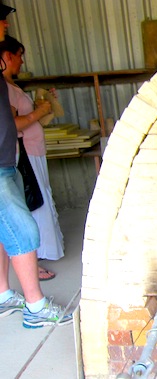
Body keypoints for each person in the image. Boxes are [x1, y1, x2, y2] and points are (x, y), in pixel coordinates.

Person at [0, 3, 72, 328]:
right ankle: (36, 307)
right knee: (25, 230)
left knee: (4, 232)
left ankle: (4, 295)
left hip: (7, 159)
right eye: (2, 21)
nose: (5, 25)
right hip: (2, 163)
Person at [1, 35, 64, 281]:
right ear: (7, 57)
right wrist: (40, 111)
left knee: (40, 198)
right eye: (19, 56)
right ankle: (37, 255)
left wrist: (42, 106)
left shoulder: (12, 86)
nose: (22, 61)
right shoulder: (6, 89)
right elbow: (13, 123)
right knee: (34, 202)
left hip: (33, 150)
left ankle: (44, 250)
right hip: (24, 152)